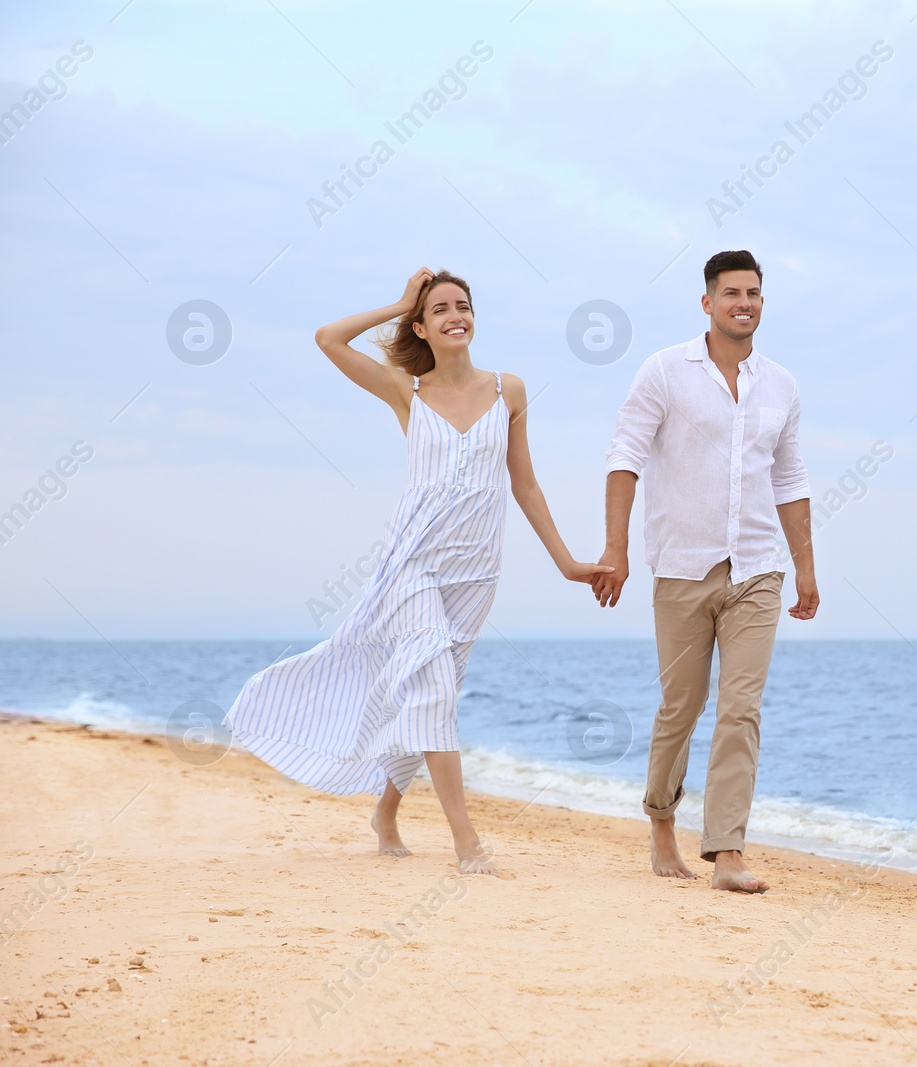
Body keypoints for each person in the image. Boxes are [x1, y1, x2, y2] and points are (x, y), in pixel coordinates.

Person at [224, 268, 610, 878]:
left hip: (476, 572)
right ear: (422, 326)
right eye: (440, 309)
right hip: (413, 564)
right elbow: (328, 338)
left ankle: (386, 811)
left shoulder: (508, 390)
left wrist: (567, 564)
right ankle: (467, 842)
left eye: (464, 306)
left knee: (429, 695)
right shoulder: (408, 391)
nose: (456, 315)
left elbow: (524, 482)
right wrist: (400, 300)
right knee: (431, 692)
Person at [593, 249, 818, 893]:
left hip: (757, 569)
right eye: (731, 294)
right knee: (682, 706)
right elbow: (624, 456)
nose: (743, 304)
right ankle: (662, 825)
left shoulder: (782, 385)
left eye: (753, 293)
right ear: (707, 302)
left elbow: (790, 478)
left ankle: (726, 854)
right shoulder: (664, 372)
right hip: (682, 567)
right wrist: (616, 550)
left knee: (741, 709)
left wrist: (805, 567)